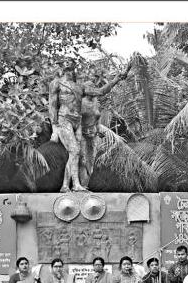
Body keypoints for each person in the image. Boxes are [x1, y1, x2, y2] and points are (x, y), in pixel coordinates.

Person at [49, 62, 130, 192]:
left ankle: (67, 185)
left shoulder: (79, 87)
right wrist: (54, 128)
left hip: (77, 122)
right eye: (66, 67)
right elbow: (52, 105)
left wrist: (116, 79)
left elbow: (101, 91)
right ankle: (74, 185)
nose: (69, 70)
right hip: (64, 118)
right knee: (75, 151)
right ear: (62, 69)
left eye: (71, 67)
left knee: (74, 154)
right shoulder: (56, 84)